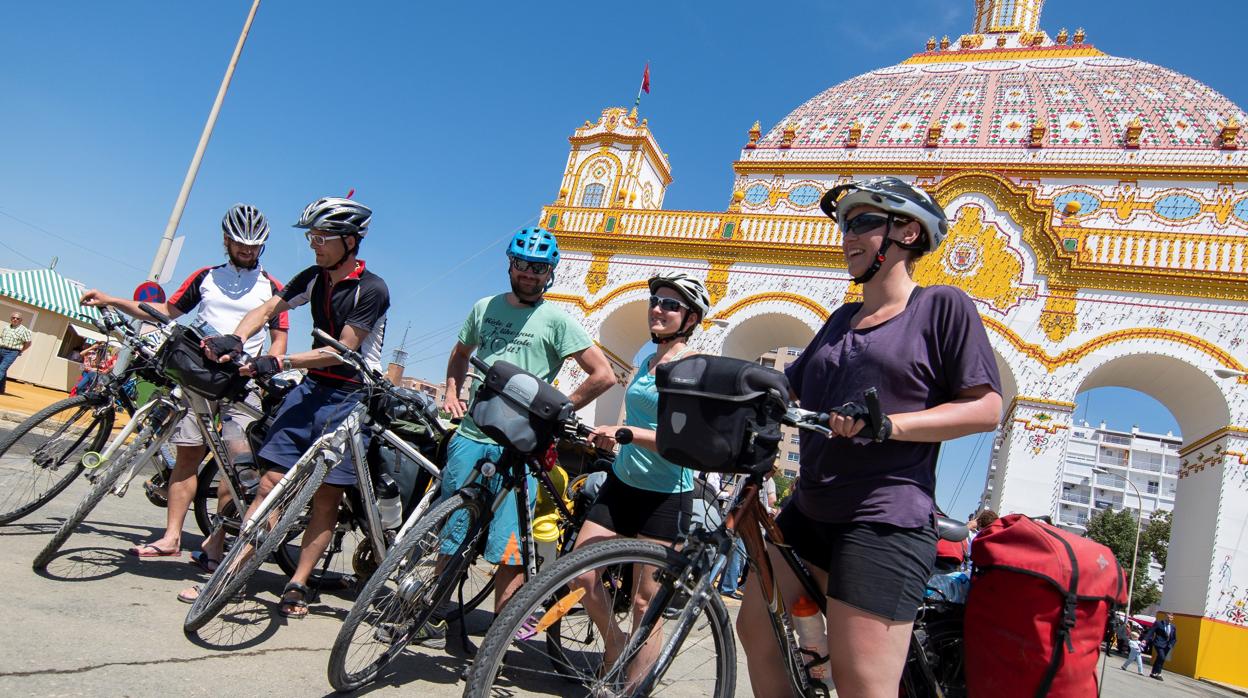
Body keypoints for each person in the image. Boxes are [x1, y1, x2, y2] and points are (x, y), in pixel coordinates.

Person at [736, 177, 1003, 698]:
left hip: (883, 517)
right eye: (844, 225)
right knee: (757, 628)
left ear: (906, 232)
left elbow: (986, 406)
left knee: (862, 683)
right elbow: (787, 390)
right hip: (810, 508)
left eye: (861, 223)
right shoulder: (841, 319)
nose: (846, 237)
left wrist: (890, 424)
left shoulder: (941, 306)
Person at [193, 196, 387, 618]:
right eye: (312, 236)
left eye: (322, 237)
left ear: (350, 241)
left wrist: (282, 359)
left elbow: (344, 351)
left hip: (351, 397)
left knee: (326, 497)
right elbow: (268, 309)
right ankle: (229, 573)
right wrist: (236, 339)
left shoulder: (372, 289)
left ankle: (298, 583)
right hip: (312, 389)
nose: (314, 244)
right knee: (269, 485)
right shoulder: (313, 277)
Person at [80, 204, 288, 567]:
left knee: (233, 466)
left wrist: (266, 365)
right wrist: (112, 299)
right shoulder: (205, 276)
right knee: (187, 455)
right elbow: (165, 311)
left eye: (255, 245)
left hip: (241, 382)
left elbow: (279, 337)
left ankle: (216, 543)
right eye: (241, 243)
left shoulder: (272, 288)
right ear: (226, 240)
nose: (247, 250)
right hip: (197, 375)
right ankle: (171, 537)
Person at [436, 227, 615, 642]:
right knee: (452, 530)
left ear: (550, 272)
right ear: (511, 265)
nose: (529, 274)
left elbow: (603, 374)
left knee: (511, 544)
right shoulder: (485, 307)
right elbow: (461, 353)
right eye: (522, 265)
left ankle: (499, 635)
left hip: (523, 444)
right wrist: (450, 391)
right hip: (473, 432)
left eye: (538, 268)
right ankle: (434, 609)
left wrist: (557, 407)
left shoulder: (556, 320)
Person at [571, 273, 710, 682]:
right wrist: (610, 435)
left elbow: (685, 441)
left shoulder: (692, 367)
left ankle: (633, 689)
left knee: (645, 602)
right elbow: (630, 418)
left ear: (691, 317)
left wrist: (628, 433)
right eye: (656, 301)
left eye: (671, 304)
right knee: (581, 573)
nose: (659, 309)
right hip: (622, 483)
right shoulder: (646, 363)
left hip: (667, 495)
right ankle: (615, 644)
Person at [0, 310, 34, 394]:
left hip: (12, 352)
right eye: (13, 318)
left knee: (1, 368)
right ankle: (1, 389)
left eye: (17, 318)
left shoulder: (24, 330)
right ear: (11, 319)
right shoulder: (6, 327)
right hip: (1, 349)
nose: (15, 319)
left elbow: (28, 342)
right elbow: (1, 337)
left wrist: (20, 351)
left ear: (21, 320)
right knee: (3, 370)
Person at [1144, 611, 1178, 680]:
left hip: (1167, 646)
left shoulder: (1173, 627)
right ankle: (1158, 673)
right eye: (1168, 617)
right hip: (1158, 643)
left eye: (1171, 618)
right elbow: (1151, 631)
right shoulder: (1159, 623)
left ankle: (1153, 673)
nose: (1169, 619)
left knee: (1159, 658)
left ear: (1172, 619)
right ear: (1166, 617)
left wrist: (1171, 645)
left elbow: (1174, 638)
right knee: (1162, 657)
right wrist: (1145, 639)